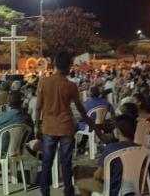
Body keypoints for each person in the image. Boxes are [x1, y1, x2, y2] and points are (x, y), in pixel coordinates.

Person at [36, 53, 107, 196]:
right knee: (66, 163)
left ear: (55, 65)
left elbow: (38, 107)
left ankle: (45, 192)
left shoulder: (43, 82)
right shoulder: (71, 86)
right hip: (66, 128)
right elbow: (81, 111)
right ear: (68, 67)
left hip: (49, 127)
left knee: (46, 162)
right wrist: (98, 132)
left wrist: (36, 126)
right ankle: (68, 192)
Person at [76, 114, 139, 196]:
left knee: (81, 183)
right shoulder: (141, 149)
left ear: (118, 131)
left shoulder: (110, 149)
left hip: (112, 190)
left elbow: (98, 175)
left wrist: (94, 178)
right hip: (133, 189)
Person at [76, 86, 115, 154]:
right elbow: (112, 112)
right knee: (89, 124)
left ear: (90, 94)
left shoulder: (87, 105)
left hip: (91, 126)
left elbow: (82, 117)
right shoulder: (105, 102)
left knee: (79, 125)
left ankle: (80, 145)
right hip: (101, 125)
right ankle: (82, 144)